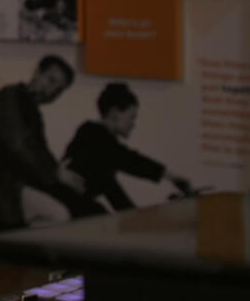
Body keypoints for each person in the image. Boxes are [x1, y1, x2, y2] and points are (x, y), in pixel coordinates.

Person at [0, 55, 88, 230]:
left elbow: (37, 152)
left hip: (14, 188)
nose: (51, 89)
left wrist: (56, 174)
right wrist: (55, 173)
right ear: (37, 72)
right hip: (1, 190)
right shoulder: (8, 97)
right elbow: (19, 145)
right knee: (59, 216)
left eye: (58, 88)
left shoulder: (32, 112)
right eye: (50, 80)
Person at [64, 82, 194, 212]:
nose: (133, 124)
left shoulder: (99, 143)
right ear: (114, 113)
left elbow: (112, 187)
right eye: (131, 117)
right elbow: (126, 159)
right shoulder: (92, 134)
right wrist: (170, 175)